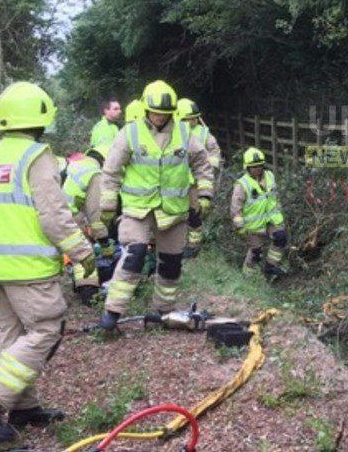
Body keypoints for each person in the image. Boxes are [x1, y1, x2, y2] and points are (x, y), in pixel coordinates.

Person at [0, 82, 95, 442]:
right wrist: (83, 252)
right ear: (40, 118)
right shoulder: (36, 157)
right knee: (46, 330)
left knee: (15, 336)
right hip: (28, 268)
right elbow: (53, 216)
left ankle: (23, 407)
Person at [97, 80, 214, 331]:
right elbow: (111, 170)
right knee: (134, 256)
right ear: (146, 109)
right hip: (138, 210)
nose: (160, 117)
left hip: (173, 210)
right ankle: (112, 312)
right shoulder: (130, 133)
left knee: (171, 262)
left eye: (165, 113)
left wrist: (205, 194)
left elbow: (203, 164)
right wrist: (108, 203)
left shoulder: (184, 133)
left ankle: (164, 310)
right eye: (155, 112)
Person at [63, 144, 114, 305]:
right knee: (83, 252)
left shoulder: (76, 165)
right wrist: (104, 242)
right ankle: (88, 292)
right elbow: (95, 214)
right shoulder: (95, 174)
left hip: (54, 214)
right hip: (70, 215)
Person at [230, 148, 288, 279]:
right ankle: (247, 276)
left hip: (272, 219)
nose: (257, 169)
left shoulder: (270, 176)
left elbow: (275, 196)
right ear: (247, 167)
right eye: (254, 167)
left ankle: (270, 267)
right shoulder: (242, 184)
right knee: (256, 252)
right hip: (254, 225)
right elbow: (235, 208)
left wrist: (279, 210)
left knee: (281, 237)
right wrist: (240, 227)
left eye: (260, 166)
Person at [176, 98, 222, 258]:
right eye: (190, 117)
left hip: (196, 182)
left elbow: (214, 150)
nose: (194, 120)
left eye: (195, 117)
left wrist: (210, 166)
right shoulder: (175, 132)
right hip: (178, 180)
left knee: (195, 213)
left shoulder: (203, 133)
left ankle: (193, 246)